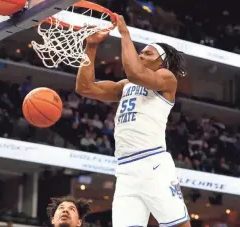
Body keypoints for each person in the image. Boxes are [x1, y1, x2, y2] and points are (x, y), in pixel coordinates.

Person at [76, 14, 191, 227]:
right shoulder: (125, 85)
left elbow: (136, 73)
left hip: (153, 164)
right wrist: (91, 47)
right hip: (125, 169)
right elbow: (85, 88)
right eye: (140, 52)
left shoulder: (167, 78)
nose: (141, 55)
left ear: (162, 62)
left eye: (147, 53)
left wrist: (125, 33)